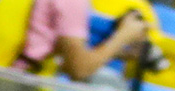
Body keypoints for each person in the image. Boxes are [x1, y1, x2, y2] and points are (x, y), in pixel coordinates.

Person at [16, 0, 151, 82]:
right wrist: (123, 36)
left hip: (11, 74)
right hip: (20, 83)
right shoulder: (73, 2)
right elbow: (79, 70)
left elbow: (66, 61)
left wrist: (117, 53)